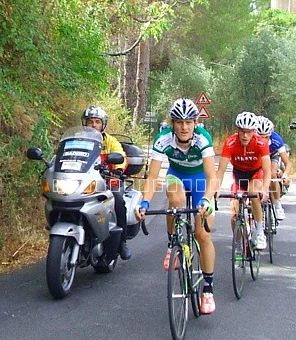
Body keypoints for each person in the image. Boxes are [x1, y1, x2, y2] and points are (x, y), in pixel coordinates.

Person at [136, 98, 217, 315]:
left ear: (195, 123)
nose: (184, 127)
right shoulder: (163, 139)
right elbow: (153, 176)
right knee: (175, 200)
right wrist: (144, 202)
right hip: (176, 176)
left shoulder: (203, 138)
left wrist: (207, 199)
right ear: (172, 123)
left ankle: (208, 289)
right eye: (179, 122)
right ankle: (173, 243)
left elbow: (212, 176)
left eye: (189, 122)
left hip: (200, 180)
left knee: (203, 234)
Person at [215, 112, 271, 250]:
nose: (245, 136)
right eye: (242, 132)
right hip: (239, 175)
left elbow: (268, 170)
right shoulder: (230, 143)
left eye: (249, 132)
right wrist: (215, 188)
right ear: (237, 130)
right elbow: (221, 171)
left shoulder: (261, 143)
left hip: (256, 173)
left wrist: (264, 189)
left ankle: (259, 231)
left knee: (254, 193)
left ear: (254, 131)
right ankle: (239, 243)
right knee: (234, 214)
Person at [81, 105, 131, 261]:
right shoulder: (78, 139)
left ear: (103, 124)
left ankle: (122, 241)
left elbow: (121, 156)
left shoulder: (110, 141)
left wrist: (117, 170)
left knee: (118, 199)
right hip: (84, 182)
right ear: (85, 123)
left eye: (97, 121)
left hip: (107, 180)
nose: (94, 125)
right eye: (90, 121)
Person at [256, 116, 291, 220]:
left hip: (272, 155)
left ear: (270, 135)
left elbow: (287, 163)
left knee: (272, 174)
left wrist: (285, 174)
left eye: (266, 137)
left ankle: (277, 204)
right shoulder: (250, 140)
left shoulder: (276, 140)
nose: (263, 140)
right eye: (260, 137)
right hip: (258, 157)